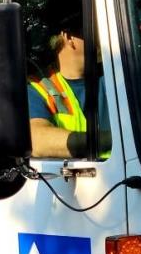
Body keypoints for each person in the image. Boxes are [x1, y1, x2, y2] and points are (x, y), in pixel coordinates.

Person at [28, 23, 102, 159]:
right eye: (96, 30)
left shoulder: (120, 75)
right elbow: (37, 141)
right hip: (80, 177)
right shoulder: (38, 88)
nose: (104, 36)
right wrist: (112, 142)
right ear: (69, 37)